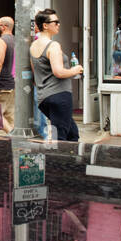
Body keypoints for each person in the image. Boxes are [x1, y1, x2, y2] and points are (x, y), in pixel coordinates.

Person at [30, 9, 84, 143]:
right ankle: (56, 157)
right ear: (45, 25)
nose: (58, 24)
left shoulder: (33, 45)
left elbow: (35, 72)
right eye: (55, 22)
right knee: (59, 139)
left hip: (44, 98)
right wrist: (75, 70)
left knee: (72, 134)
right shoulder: (53, 45)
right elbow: (58, 72)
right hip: (59, 96)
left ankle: (71, 157)